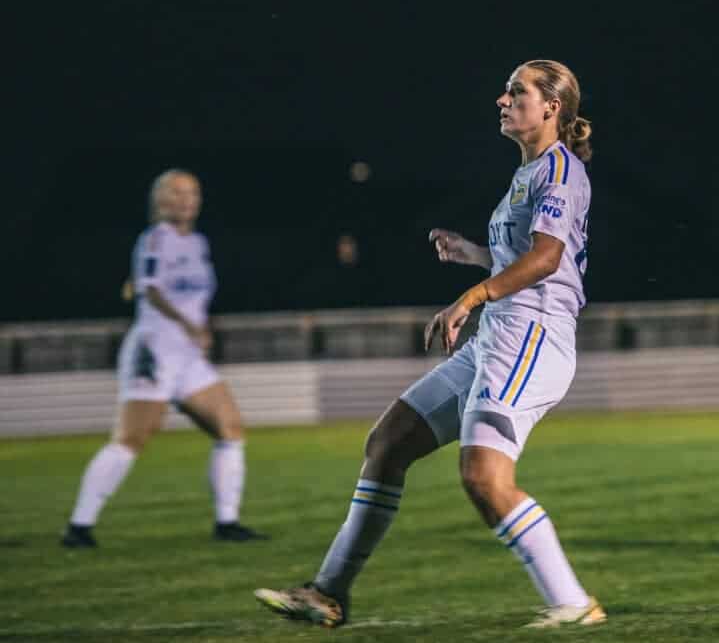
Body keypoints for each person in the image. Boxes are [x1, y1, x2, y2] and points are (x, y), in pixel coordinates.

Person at [254, 60, 605, 629]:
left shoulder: (560, 172)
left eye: (517, 91)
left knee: (485, 479)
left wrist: (471, 295)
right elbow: (527, 257)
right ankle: (328, 592)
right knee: (389, 443)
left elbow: (547, 260)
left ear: (551, 108)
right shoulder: (530, 172)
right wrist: (476, 255)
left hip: (532, 337)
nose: (502, 99)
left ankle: (573, 603)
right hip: (503, 333)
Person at [62, 170, 267, 548]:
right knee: (131, 438)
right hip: (154, 349)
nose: (187, 199)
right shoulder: (155, 238)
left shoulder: (199, 243)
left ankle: (227, 523)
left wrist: (199, 329)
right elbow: (151, 290)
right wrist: (189, 325)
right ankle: (79, 527)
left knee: (230, 428)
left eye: (193, 192)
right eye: (177, 193)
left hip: (188, 356)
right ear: (161, 200)